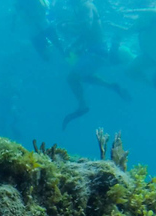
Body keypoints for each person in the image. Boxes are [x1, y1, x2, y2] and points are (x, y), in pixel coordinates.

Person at [61, 0, 131, 130]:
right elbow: (87, 33)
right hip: (95, 51)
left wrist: (68, 26)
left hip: (97, 52)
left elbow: (86, 26)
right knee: (82, 77)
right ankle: (111, 86)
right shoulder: (82, 7)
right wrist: (72, 45)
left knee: (71, 78)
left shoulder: (86, 6)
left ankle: (83, 105)